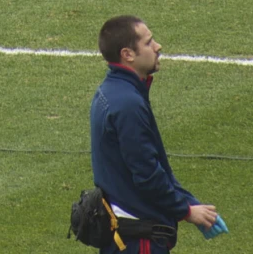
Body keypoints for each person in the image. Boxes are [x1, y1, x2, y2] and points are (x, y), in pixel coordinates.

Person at [89, 15, 219, 247]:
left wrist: (187, 201)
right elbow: (147, 174)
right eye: (149, 43)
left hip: (124, 232)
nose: (158, 47)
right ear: (128, 54)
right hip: (138, 238)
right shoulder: (128, 103)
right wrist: (186, 211)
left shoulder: (113, 91)